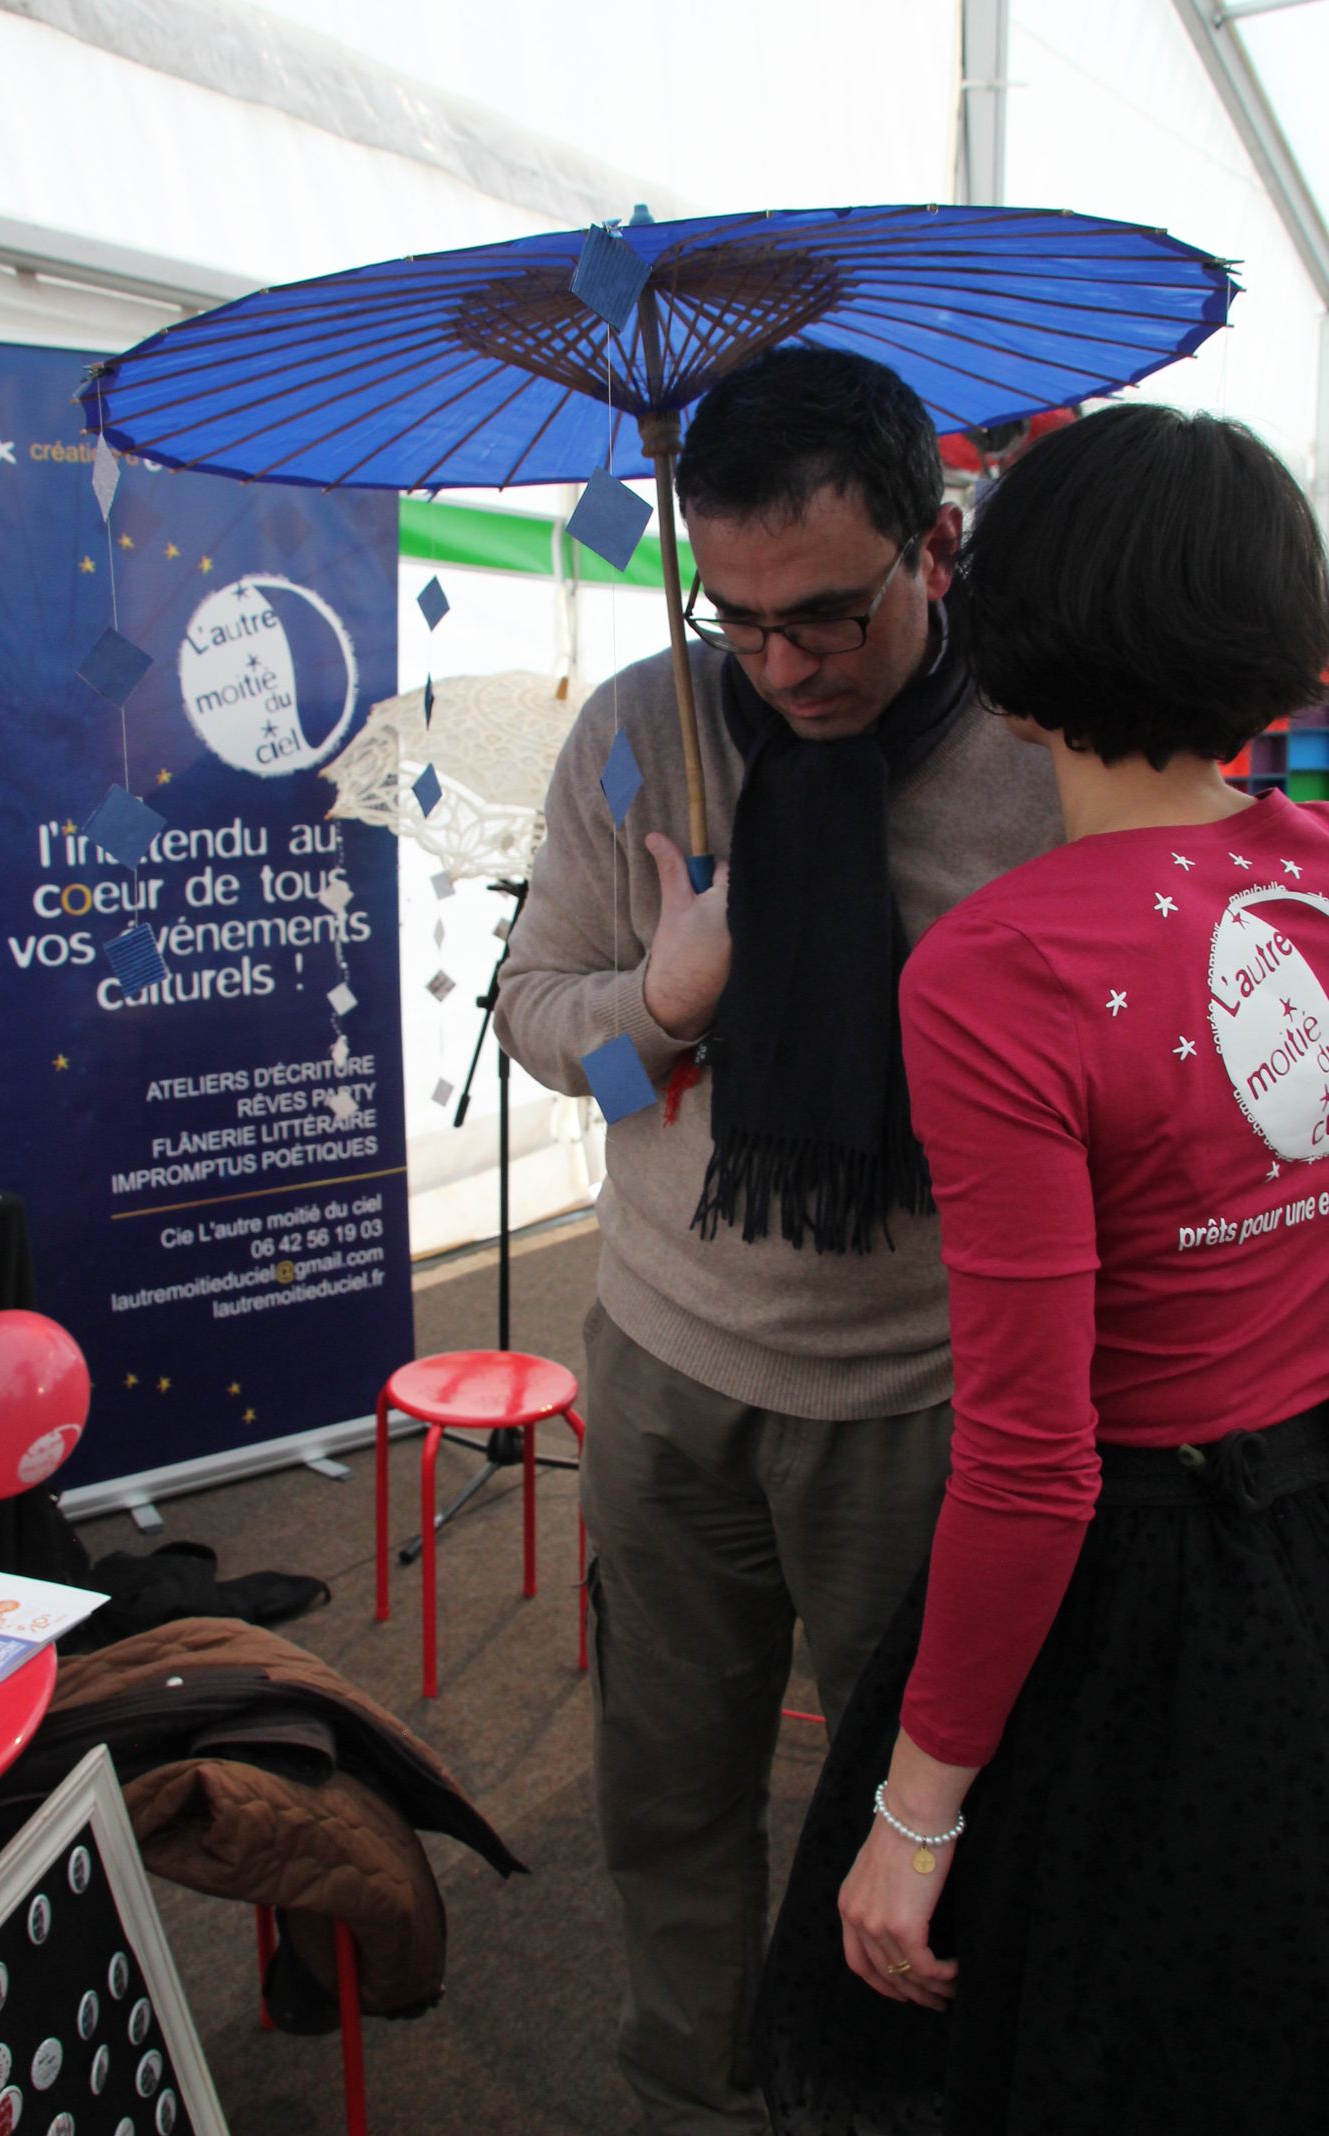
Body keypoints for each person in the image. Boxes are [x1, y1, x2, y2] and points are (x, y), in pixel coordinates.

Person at [494, 347, 1061, 2133]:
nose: (783, 667)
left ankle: (881, 2101)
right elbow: (546, 1036)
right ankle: (694, 2086)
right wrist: (661, 1004)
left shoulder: (1040, 764)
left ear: (934, 545)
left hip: (924, 1405)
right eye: (736, 621)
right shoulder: (636, 738)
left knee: (921, 1816)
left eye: (826, 615)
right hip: (666, 1371)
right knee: (667, 1785)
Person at [753, 402, 1329, 2136]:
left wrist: (914, 1815)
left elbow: (1029, 1455)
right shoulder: (1317, 875)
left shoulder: (1000, 969)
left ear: (1007, 643)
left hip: (1137, 1599)